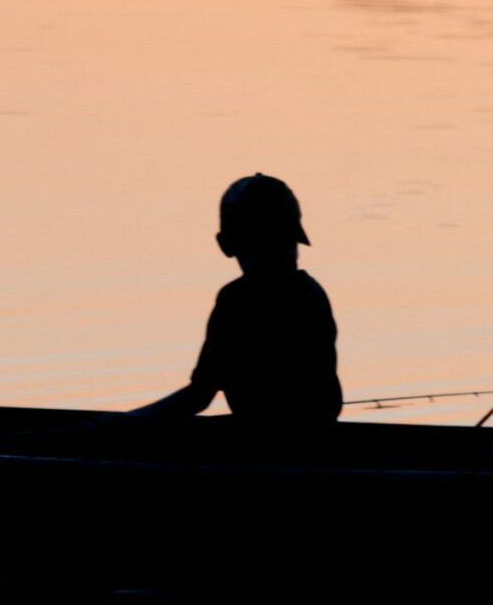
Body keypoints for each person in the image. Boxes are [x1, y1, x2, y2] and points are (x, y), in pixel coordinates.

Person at [130, 173, 343, 433]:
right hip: (315, 437)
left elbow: (200, 395)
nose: (280, 252)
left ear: (226, 245)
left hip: (267, 443)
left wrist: (126, 423)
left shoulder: (236, 301)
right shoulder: (312, 293)